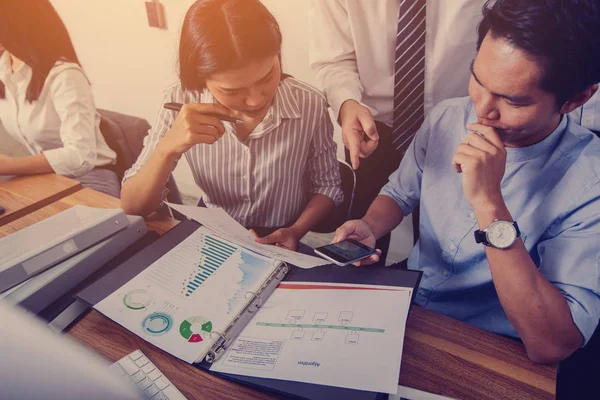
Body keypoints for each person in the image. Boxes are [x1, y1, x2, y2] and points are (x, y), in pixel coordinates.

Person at [333, 0, 600, 364]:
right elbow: (399, 192)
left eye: (513, 100)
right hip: (412, 305)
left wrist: (489, 204)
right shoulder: (446, 116)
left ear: (577, 99)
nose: (482, 109)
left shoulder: (589, 183)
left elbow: (552, 344)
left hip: (496, 345)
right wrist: (368, 225)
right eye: (478, 79)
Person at [121, 0, 342, 252]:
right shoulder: (181, 101)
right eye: (232, 90)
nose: (256, 99)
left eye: (268, 76)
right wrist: (167, 149)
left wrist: (295, 230)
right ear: (200, 76)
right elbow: (132, 207)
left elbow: (327, 186)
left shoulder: (309, 103)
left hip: (282, 234)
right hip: (213, 231)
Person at [309, 0, 486, 263]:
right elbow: (334, 59)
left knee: (438, 233)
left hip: (455, 127)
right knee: (362, 235)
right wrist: (346, 103)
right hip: (369, 125)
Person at [0, 0, 119, 197]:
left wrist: (8, 165)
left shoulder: (65, 75)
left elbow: (80, 156)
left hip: (91, 178)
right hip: (49, 177)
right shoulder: (5, 69)